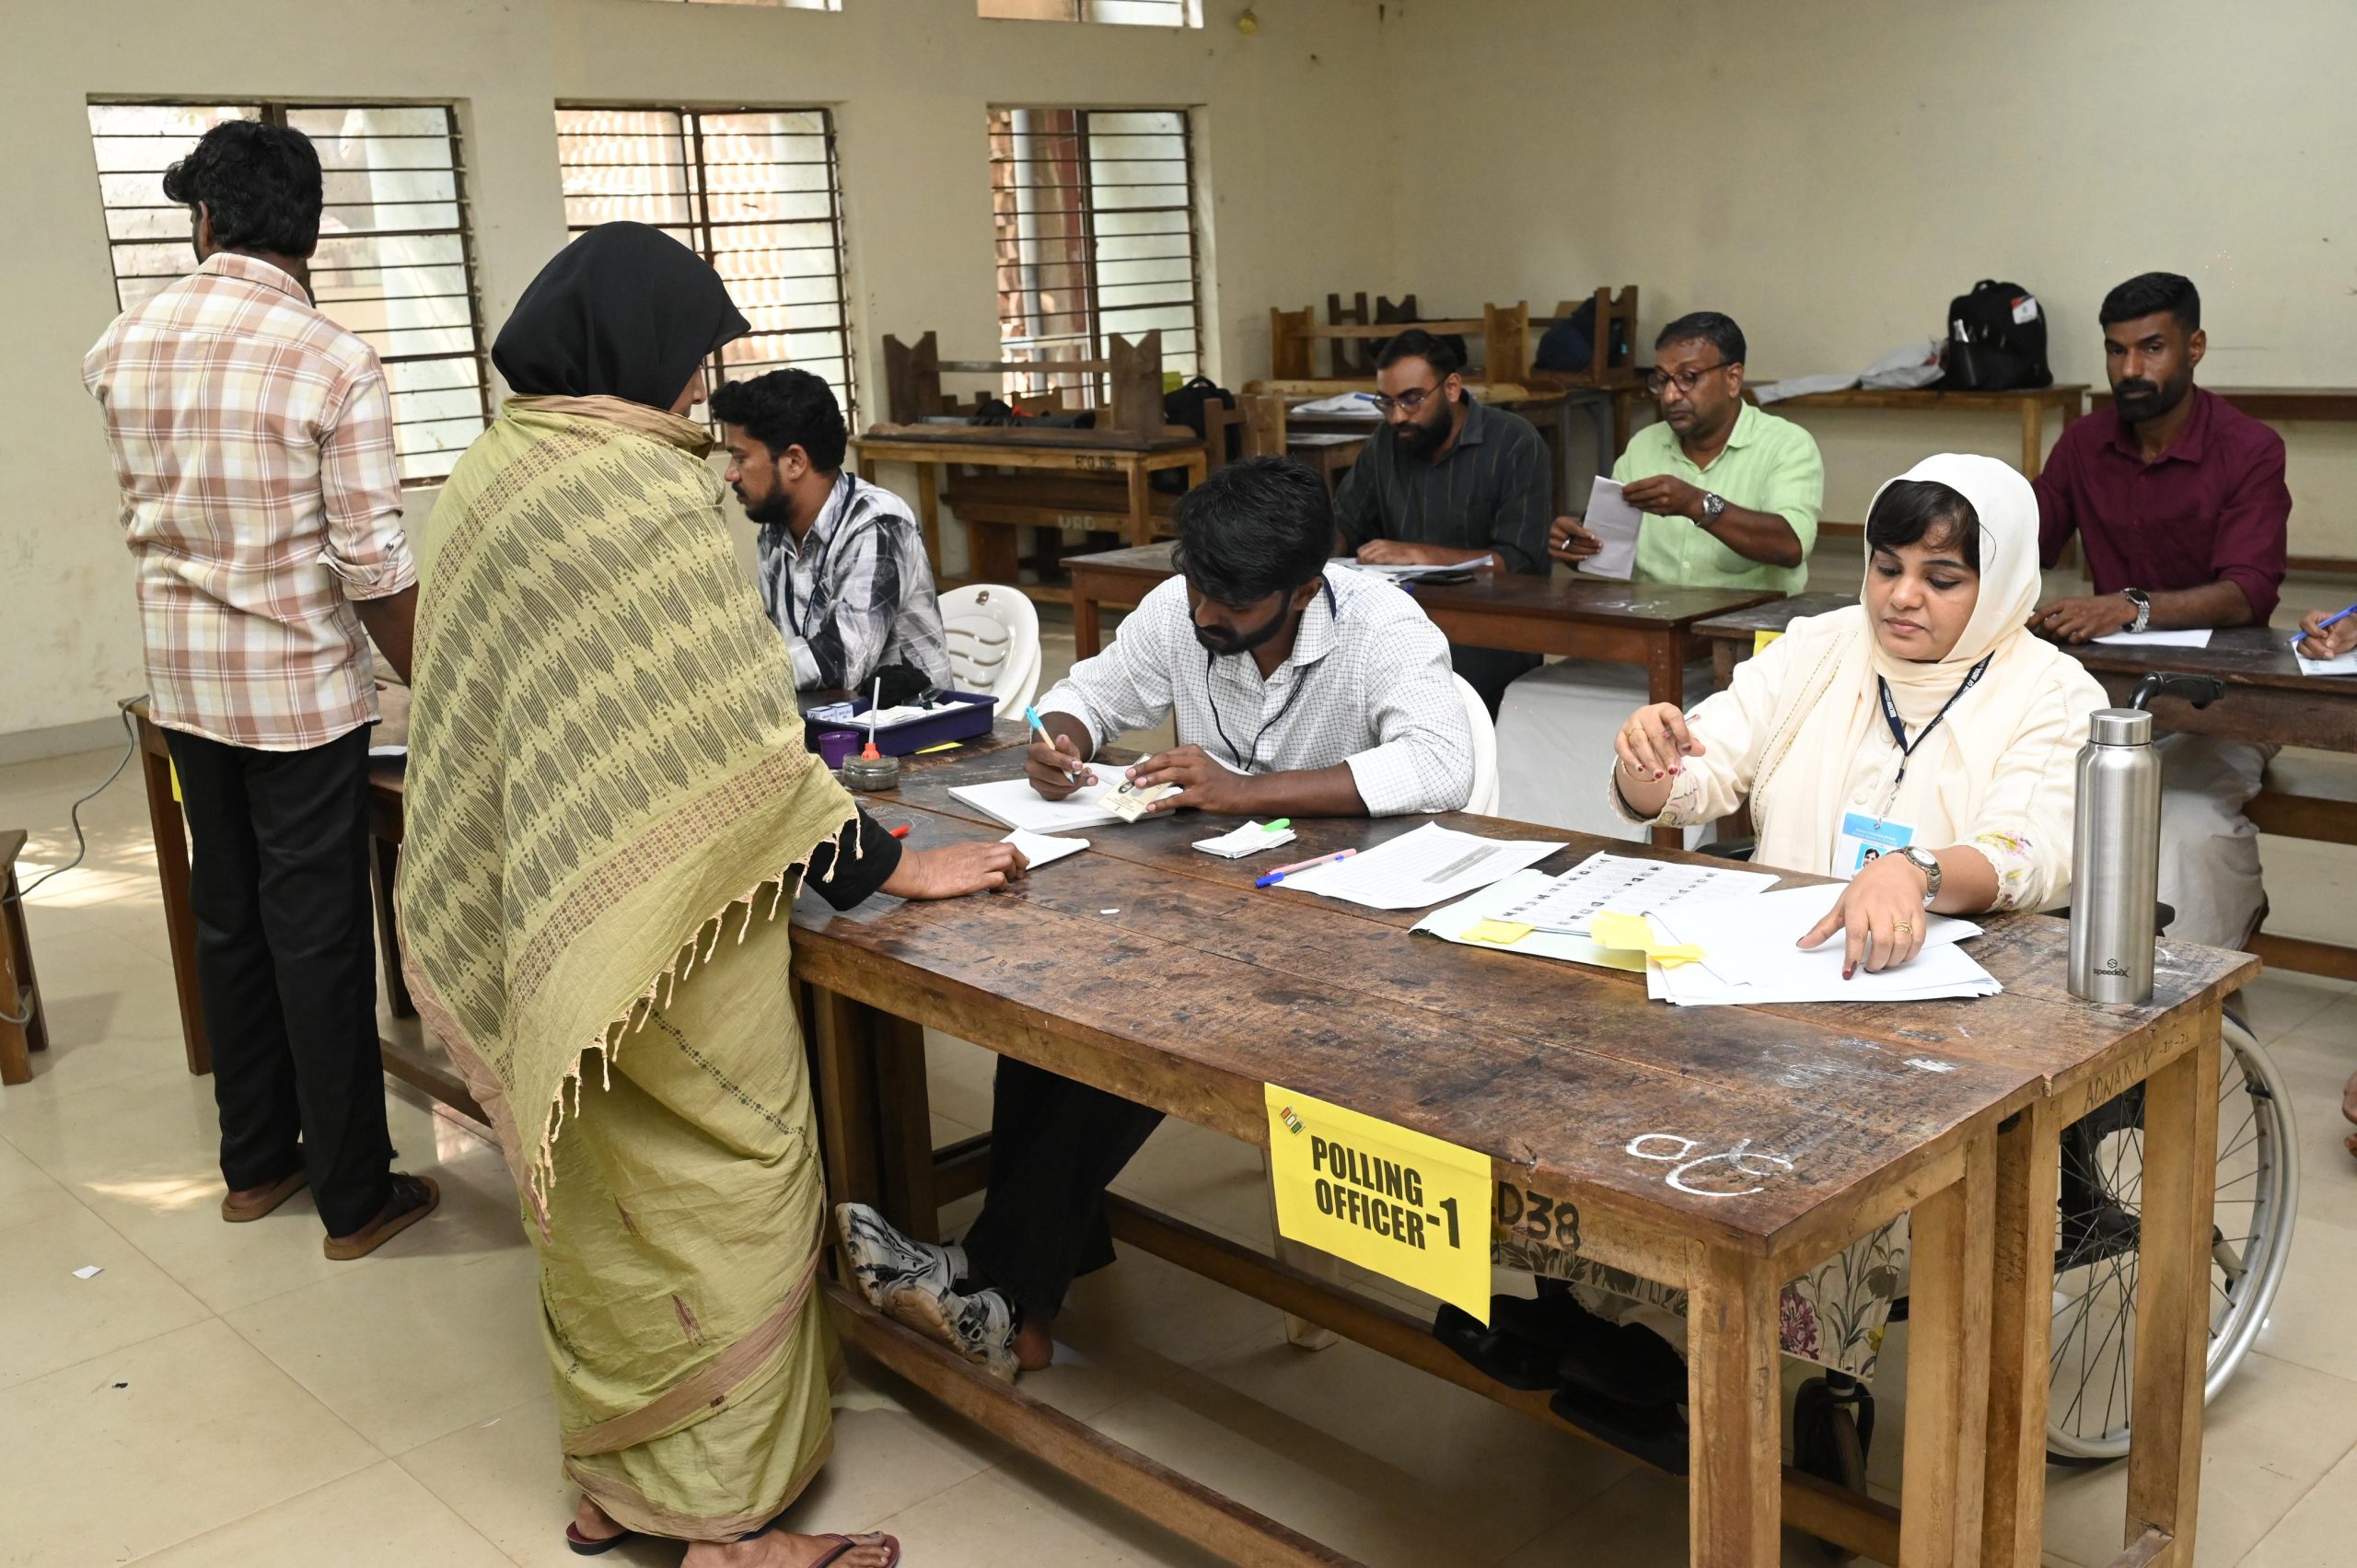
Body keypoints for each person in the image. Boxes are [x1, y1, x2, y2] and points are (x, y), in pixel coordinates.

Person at [400, 223, 1025, 1568]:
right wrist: (891, 861)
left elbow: (482, 716)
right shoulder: (656, 493)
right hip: (676, 930)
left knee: (600, 1190)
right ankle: (728, 1526)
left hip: (555, 915)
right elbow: (750, 750)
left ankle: (612, 1478)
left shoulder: (489, 477)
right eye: (690, 363)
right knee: (732, 1175)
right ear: (634, 352)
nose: (699, 393)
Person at [1472, 456, 2108, 1441]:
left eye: (1942, 579)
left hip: (1938, 1000)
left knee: (1835, 1145)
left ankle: (1765, 1385)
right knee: (1589, 1062)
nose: (1900, 597)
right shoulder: (1820, 646)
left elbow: (2033, 850)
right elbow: (1701, 768)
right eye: (1886, 565)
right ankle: (1610, 1314)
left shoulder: (2050, 689)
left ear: (2005, 579)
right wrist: (1647, 760)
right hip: (1770, 971)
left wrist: (1919, 873)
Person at [835, 455, 1474, 1382]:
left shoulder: (1380, 623)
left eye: (1234, 602)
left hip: (1344, 927)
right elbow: (1087, 690)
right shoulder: (1187, 604)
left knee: (1144, 1017)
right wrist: (1065, 742)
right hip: (1213, 897)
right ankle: (1017, 1291)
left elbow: (1439, 764)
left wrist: (1248, 790)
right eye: (1200, 588)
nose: (1207, 615)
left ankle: (1001, 1283)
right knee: (1053, 990)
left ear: (1303, 589)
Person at [81, 119, 437, 1259]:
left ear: (205, 220)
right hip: (295, 699)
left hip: (185, 690)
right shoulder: (334, 360)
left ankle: (255, 1167)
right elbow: (372, 562)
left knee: (227, 916)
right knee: (320, 934)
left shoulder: (123, 343)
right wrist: (439, 674)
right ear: (311, 227)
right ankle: (355, 1196)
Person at [2030, 272, 2291, 948]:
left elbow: (2248, 591)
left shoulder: (2249, 448)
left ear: (2195, 346)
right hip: (2107, 697)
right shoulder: (2085, 444)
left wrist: (2128, 608)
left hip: (2227, 702)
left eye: (2152, 348)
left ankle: (2188, 994)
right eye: (2116, 352)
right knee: (2030, 799)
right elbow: (2027, 537)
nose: (2130, 369)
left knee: (2182, 822)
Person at [1331, 328, 1554, 712]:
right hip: (1401, 623)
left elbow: (1518, 562)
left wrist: (1417, 555)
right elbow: (1344, 526)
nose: (1398, 415)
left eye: (1412, 400)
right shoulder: (1386, 442)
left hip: (1492, 631)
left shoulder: (1514, 442)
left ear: (1452, 387)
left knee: (1440, 696)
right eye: (1386, 402)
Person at [711, 368, 952, 695]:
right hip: (827, 722)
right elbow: (774, 643)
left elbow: (841, 663)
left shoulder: (877, 523)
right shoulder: (774, 530)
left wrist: (729, 675)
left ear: (794, 461)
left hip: (909, 732)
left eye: (740, 458)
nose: (730, 474)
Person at [1549, 311, 1825, 594]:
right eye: (1662, 380)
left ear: (1733, 379)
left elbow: (1791, 546)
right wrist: (1575, 545)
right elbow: (1606, 552)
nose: (1670, 395)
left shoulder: (1787, 445)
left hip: (1752, 628)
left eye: (1688, 378)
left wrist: (1697, 504)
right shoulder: (1644, 446)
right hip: (1656, 623)